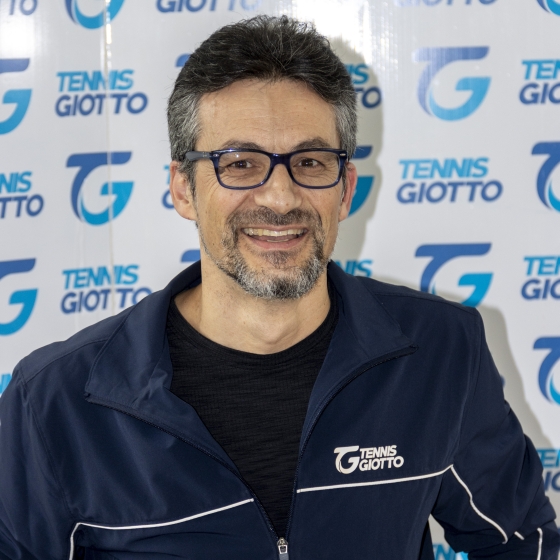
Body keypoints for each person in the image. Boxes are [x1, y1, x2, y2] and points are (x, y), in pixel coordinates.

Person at [0, 15, 558, 560]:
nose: (280, 197)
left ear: (345, 190)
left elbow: (522, 543)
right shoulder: (53, 402)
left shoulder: (441, 352)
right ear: (183, 189)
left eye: (310, 162)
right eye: (240, 163)